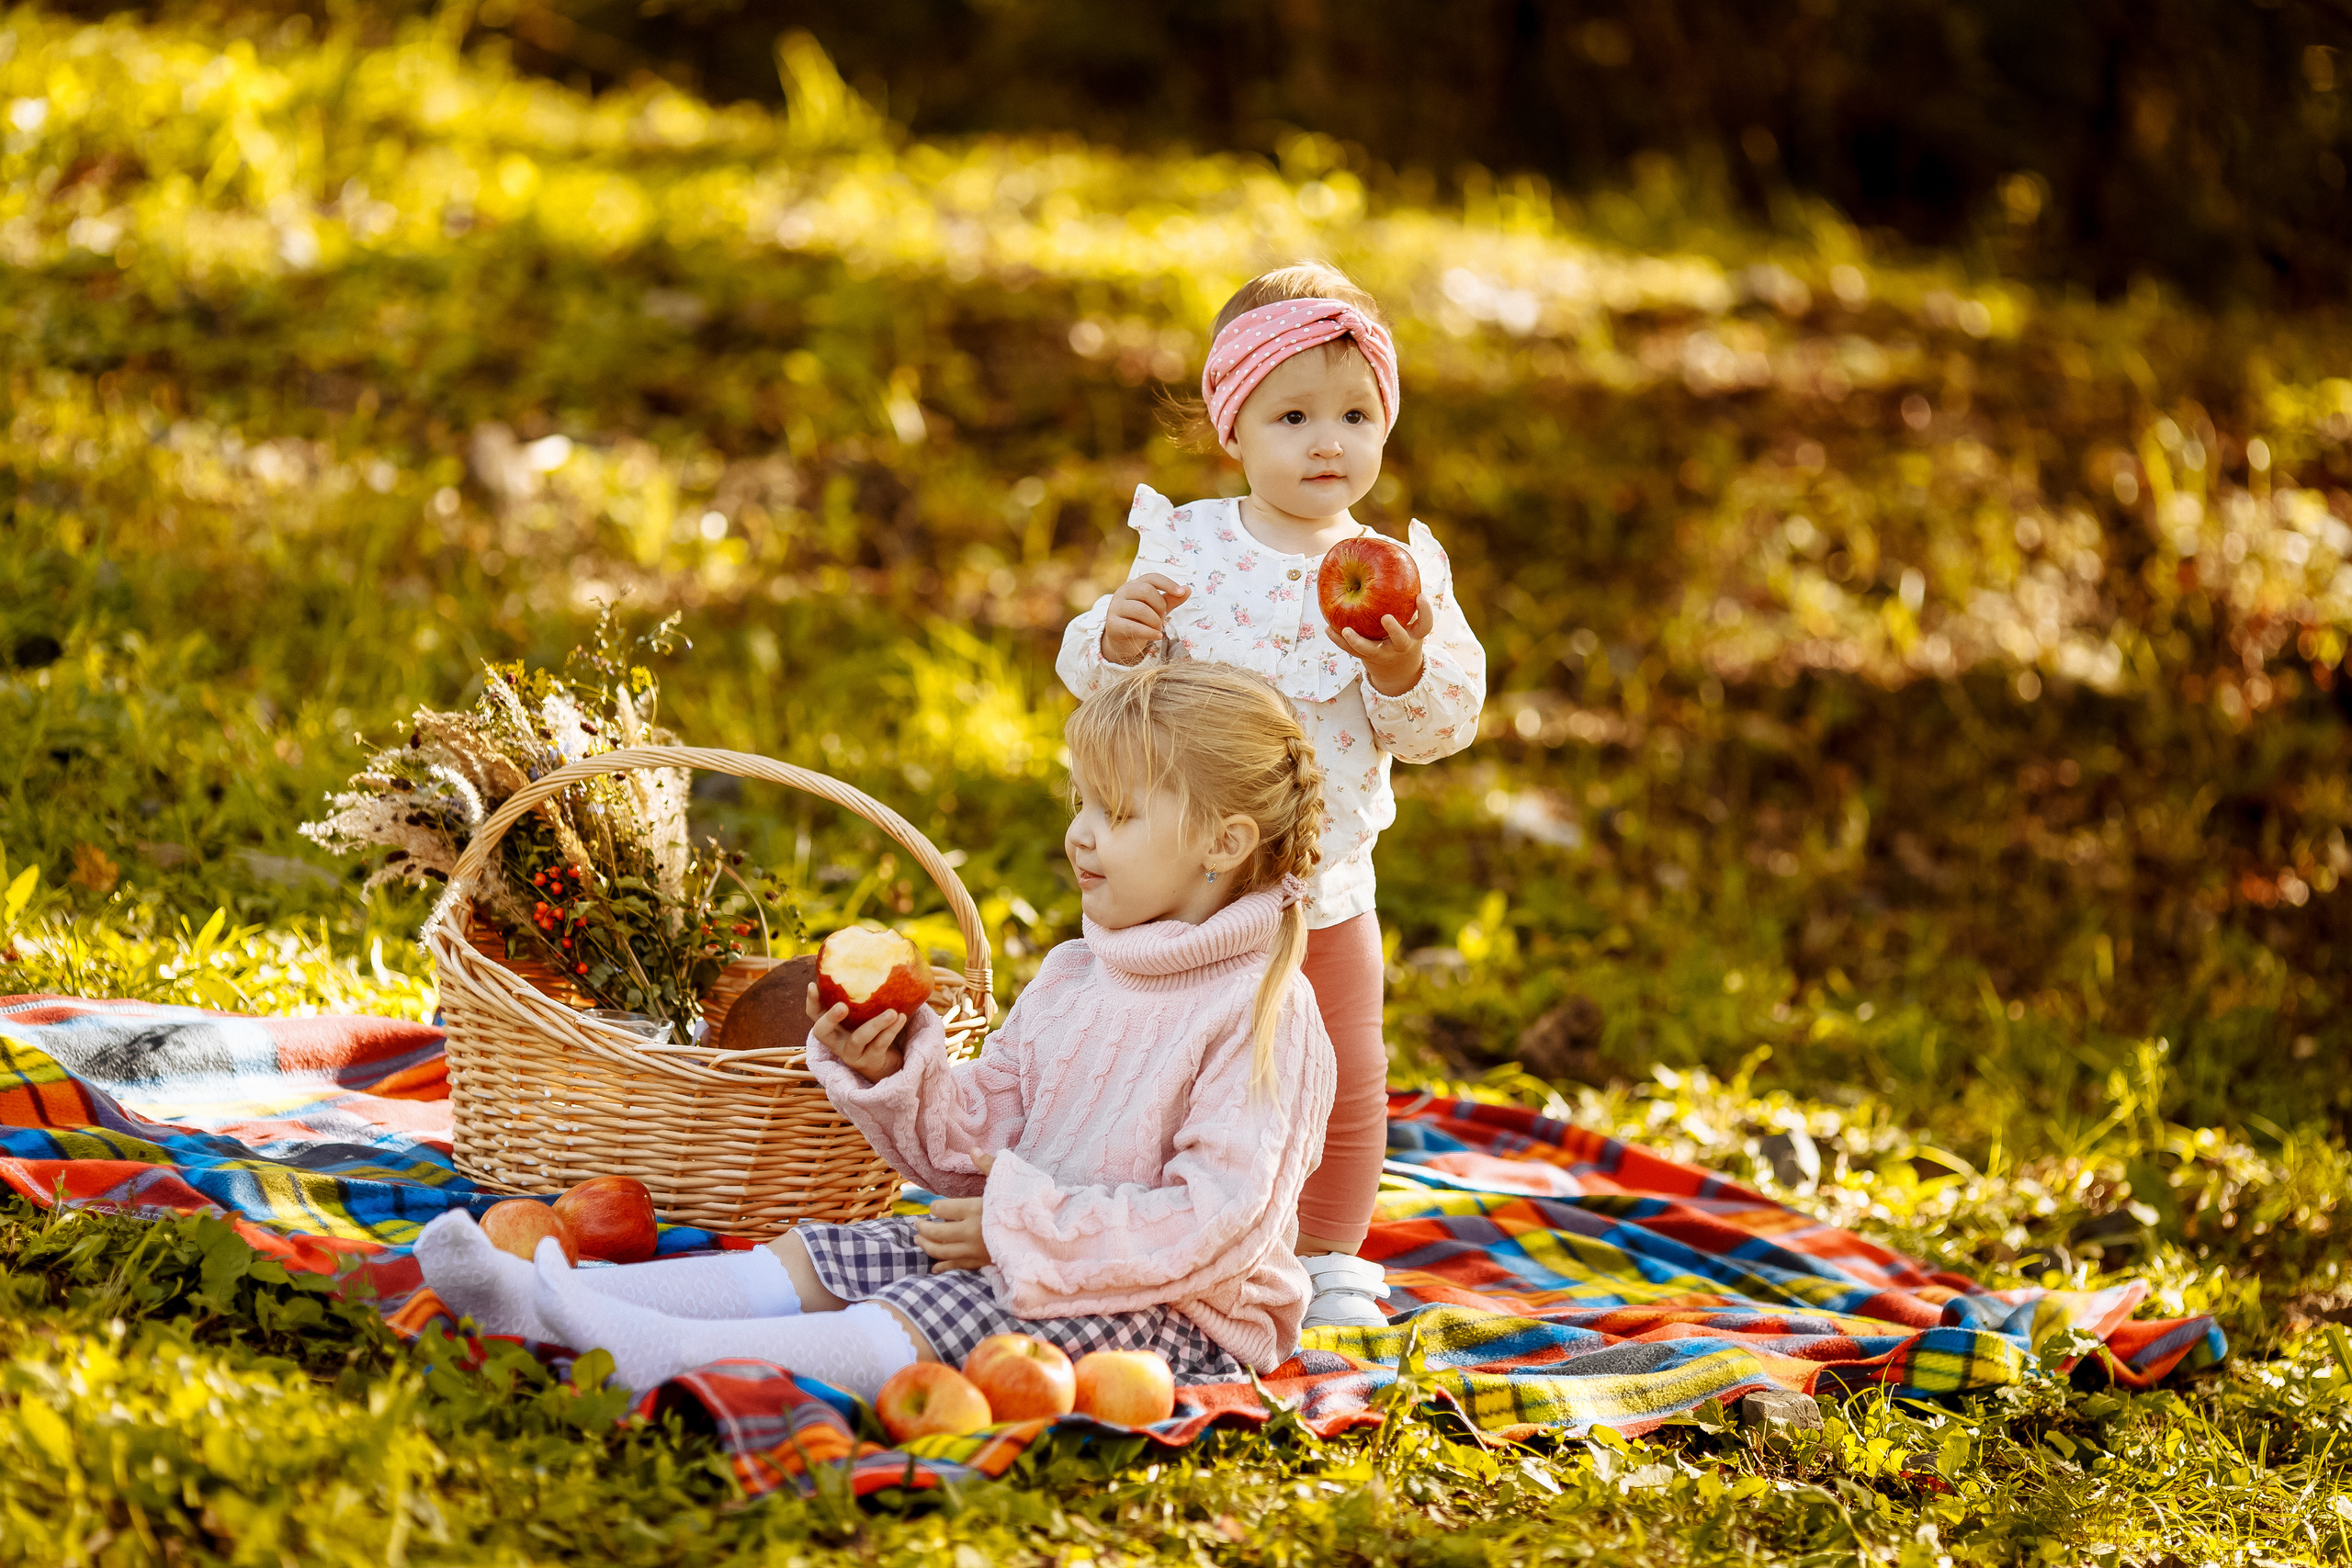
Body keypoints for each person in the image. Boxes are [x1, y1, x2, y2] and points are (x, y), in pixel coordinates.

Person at [413, 661, 1339, 1400]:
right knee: (847, 1248)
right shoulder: (1076, 974)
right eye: (1081, 806)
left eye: (1120, 814)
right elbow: (976, 1144)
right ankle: (547, 1299)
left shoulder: (1264, 1015)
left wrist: (1021, 1230)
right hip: (1032, 1248)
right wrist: (902, 1071)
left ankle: (678, 1352)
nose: (1082, 837)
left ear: (1224, 843)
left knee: (939, 1304)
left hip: (1184, 1314)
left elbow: (1217, 1222)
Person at [1057, 261, 1486, 1328]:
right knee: (1156, 1050)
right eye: (1292, 415)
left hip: (1321, 883)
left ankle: (1328, 1252)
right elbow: (1098, 686)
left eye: (1353, 413)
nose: (1326, 441)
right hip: (1183, 882)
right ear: (1232, 430)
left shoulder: (1403, 576)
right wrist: (1116, 640)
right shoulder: (1189, 548)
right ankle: (1146, 1205)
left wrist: (1399, 671)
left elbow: (1443, 727)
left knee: (1343, 1071)